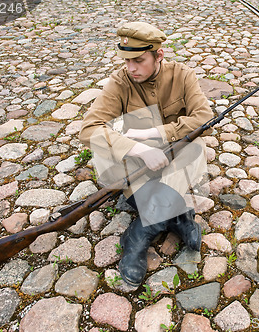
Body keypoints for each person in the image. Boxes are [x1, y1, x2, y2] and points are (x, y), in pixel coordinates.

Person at [79, 21, 214, 287]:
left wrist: (156, 132)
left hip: (171, 159)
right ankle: (177, 216)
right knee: (104, 149)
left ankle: (141, 231)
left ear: (158, 55)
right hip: (138, 166)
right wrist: (138, 147)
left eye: (139, 60)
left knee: (197, 148)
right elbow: (88, 129)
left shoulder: (182, 75)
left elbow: (204, 118)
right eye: (126, 60)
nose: (131, 68)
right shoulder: (120, 81)